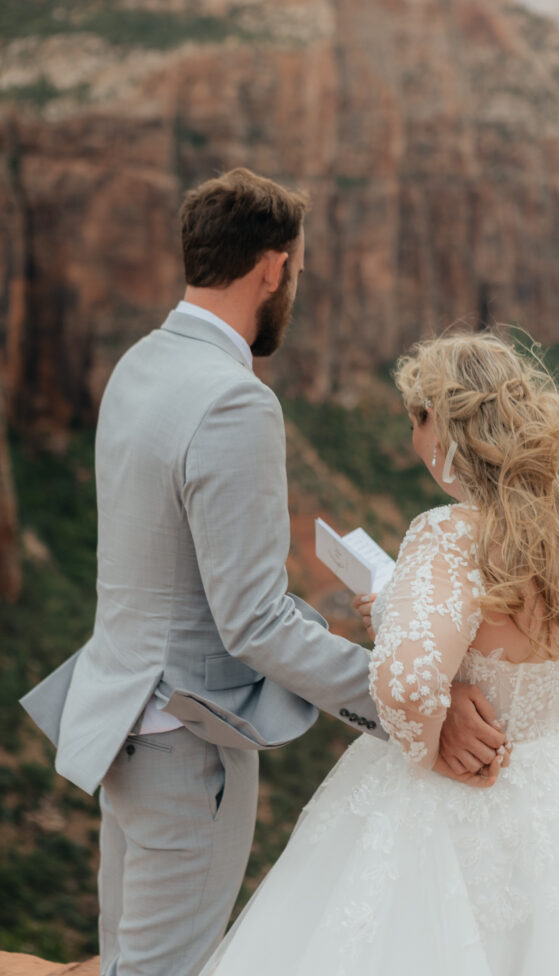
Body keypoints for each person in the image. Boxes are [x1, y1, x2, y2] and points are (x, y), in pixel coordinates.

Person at [19, 169, 508, 976]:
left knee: (125, 961)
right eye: (297, 274)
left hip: (116, 720)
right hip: (184, 747)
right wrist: (406, 703)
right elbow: (252, 624)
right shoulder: (234, 401)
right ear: (273, 268)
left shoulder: (139, 364)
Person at [200, 331, 559, 976]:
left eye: (417, 419)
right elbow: (513, 637)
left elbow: (405, 684)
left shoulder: (448, 534)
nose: (411, 440)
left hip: (463, 808)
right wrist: (408, 610)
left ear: (447, 429)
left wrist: (432, 745)